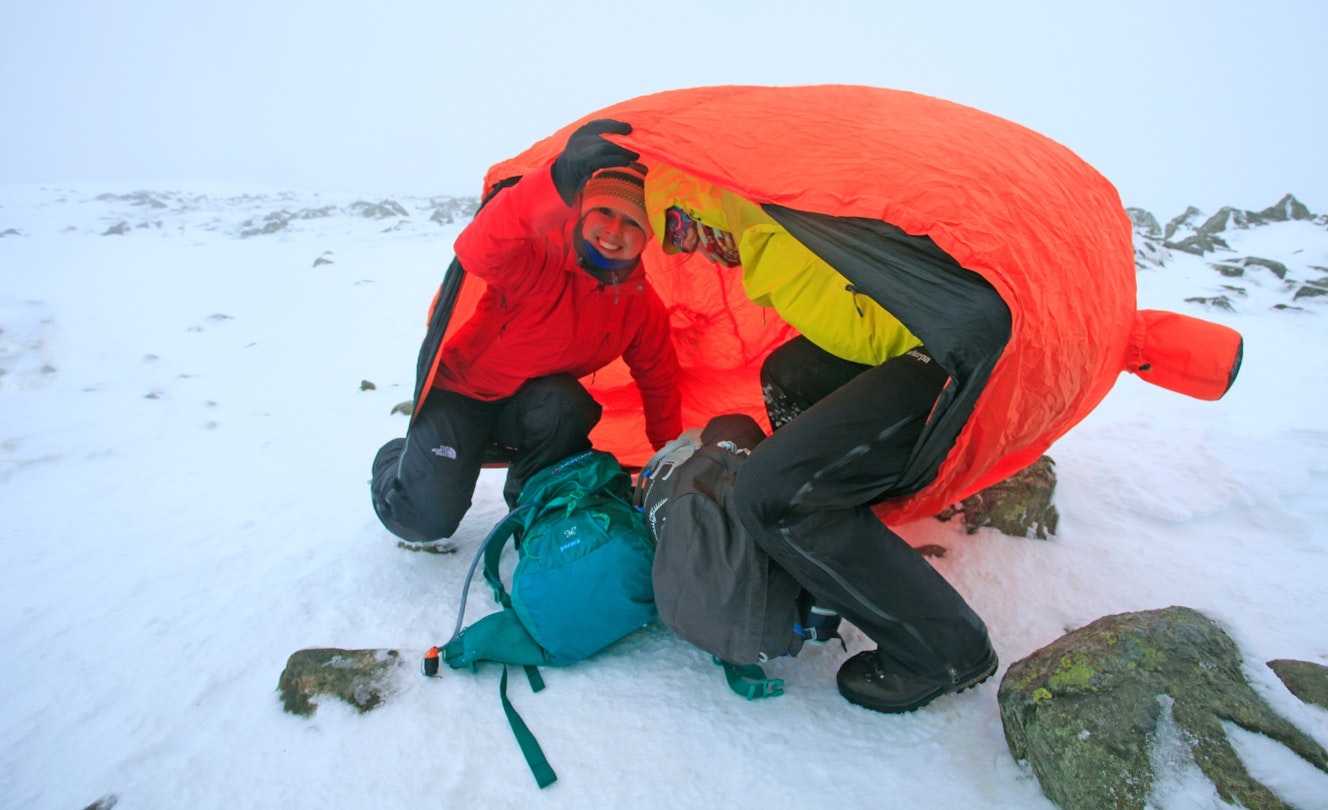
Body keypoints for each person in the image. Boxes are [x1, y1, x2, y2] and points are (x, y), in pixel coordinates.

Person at [645, 160, 1006, 713]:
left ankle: (946, 650)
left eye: (682, 225)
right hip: (924, 339)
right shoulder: (764, 240)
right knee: (789, 374)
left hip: (955, 349)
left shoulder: (786, 219)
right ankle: (833, 528)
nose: (694, 248)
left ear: (700, 202)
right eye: (676, 242)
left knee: (770, 495)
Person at [370, 120, 683, 548]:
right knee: (424, 521)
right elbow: (476, 247)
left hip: (529, 410)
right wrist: (557, 180)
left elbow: (659, 381)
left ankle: (532, 506)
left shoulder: (640, 307)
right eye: (604, 212)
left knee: (567, 403)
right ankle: (397, 458)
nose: (614, 231)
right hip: (463, 397)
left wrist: (669, 457)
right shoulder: (538, 258)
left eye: (632, 222)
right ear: (584, 212)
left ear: (647, 236)